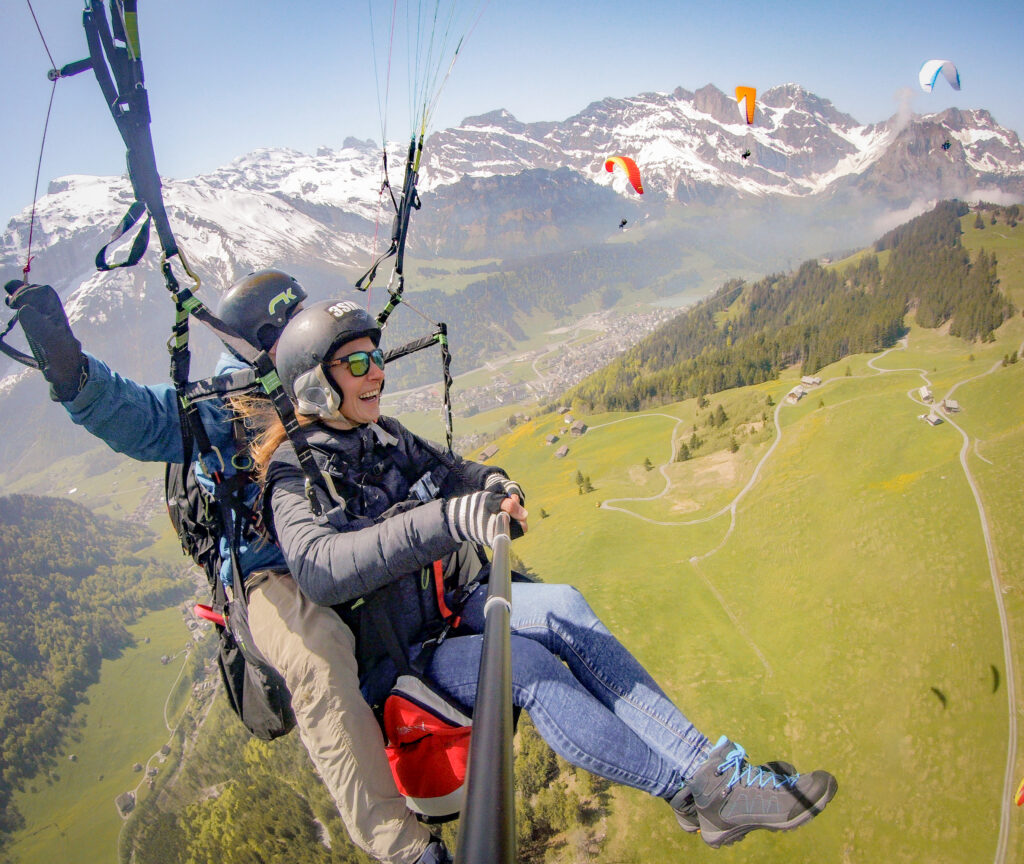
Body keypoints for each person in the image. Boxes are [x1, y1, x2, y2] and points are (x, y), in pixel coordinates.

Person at [252, 298, 839, 850]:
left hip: (450, 608)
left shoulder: (385, 435)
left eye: (376, 357)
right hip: (405, 658)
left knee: (564, 606)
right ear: (313, 382)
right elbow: (319, 569)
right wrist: (446, 520)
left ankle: (712, 778)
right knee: (526, 665)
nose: (376, 373)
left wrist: (494, 484)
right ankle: (688, 793)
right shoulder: (293, 471)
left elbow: (457, 472)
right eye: (357, 362)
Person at [4, 273, 451, 864]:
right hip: (270, 575)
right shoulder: (226, 406)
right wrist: (73, 375)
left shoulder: (313, 377)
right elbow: (145, 418)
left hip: (335, 538)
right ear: (260, 342)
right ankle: (403, 847)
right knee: (316, 651)